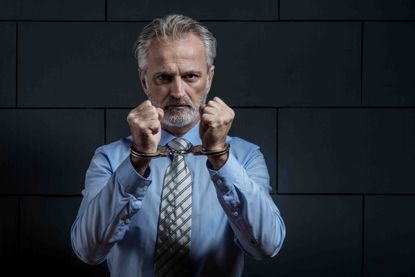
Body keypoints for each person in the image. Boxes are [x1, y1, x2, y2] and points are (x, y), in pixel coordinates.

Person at [71, 14, 285, 277]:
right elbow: (88, 250)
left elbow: (266, 246)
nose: (178, 92)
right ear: (144, 81)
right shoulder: (110, 158)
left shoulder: (245, 156)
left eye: (191, 76)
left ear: (209, 78)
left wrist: (221, 158)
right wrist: (136, 161)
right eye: (164, 77)